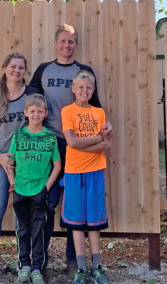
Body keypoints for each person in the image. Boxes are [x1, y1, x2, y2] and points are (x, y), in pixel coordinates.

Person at [0, 24, 113, 275]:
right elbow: (29, 98)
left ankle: (74, 261)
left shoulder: (84, 72)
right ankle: (42, 259)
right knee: (47, 202)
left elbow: (95, 105)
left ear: (75, 45)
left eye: (71, 42)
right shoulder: (43, 70)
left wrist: (106, 128)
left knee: (75, 201)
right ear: (56, 43)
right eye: (62, 41)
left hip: (78, 146)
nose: (66, 46)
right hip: (47, 143)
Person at [0, 52, 41, 279]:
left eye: (21, 68)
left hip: (25, 166)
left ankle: (23, 261)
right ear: (4, 68)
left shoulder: (32, 94)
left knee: (22, 215)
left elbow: (43, 119)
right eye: (13, 67)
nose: (17, 71)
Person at [61, 70, 112, 284]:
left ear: (93, 91)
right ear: (73, 89)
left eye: (89, 88)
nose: (84, 91)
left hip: (95, 172)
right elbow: (72, 143)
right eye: (80, 87)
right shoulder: (67, 111)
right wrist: (98, 139)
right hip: (73, 173)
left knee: (94, 223)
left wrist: (90, 142)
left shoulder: (99, 113)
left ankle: (97, 267)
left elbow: (107, 145)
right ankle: (81, 269)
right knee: (76, 223)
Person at [7, 94, 61, 284]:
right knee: (23, 230)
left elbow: (57, 166)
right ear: (26, 113)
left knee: (39, 230)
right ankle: (24, 266)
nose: (36, 115)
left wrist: (46, 188)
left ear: (45, 113)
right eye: (32, 112)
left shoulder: (50, 137)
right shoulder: (19, 135)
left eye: (40, 111)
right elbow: (9, 162)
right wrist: (12, 182)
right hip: (20, 190)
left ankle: (37, 267)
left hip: (40, 191)